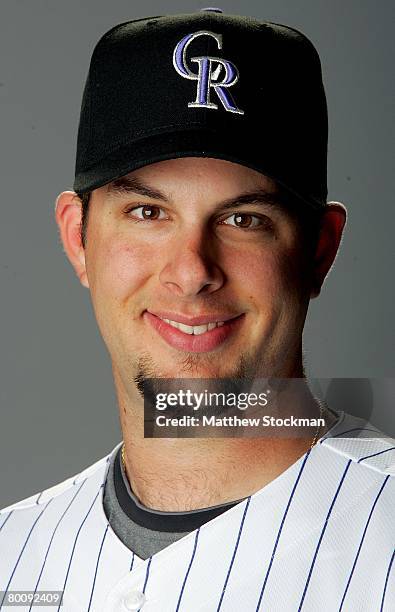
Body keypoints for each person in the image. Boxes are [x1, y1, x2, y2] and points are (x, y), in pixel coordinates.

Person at [0, 9, 393, 612]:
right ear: (78, 238)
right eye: (147, 213)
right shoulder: (12, 550)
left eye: (244, 220)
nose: (191, 272)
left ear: (320, 250)